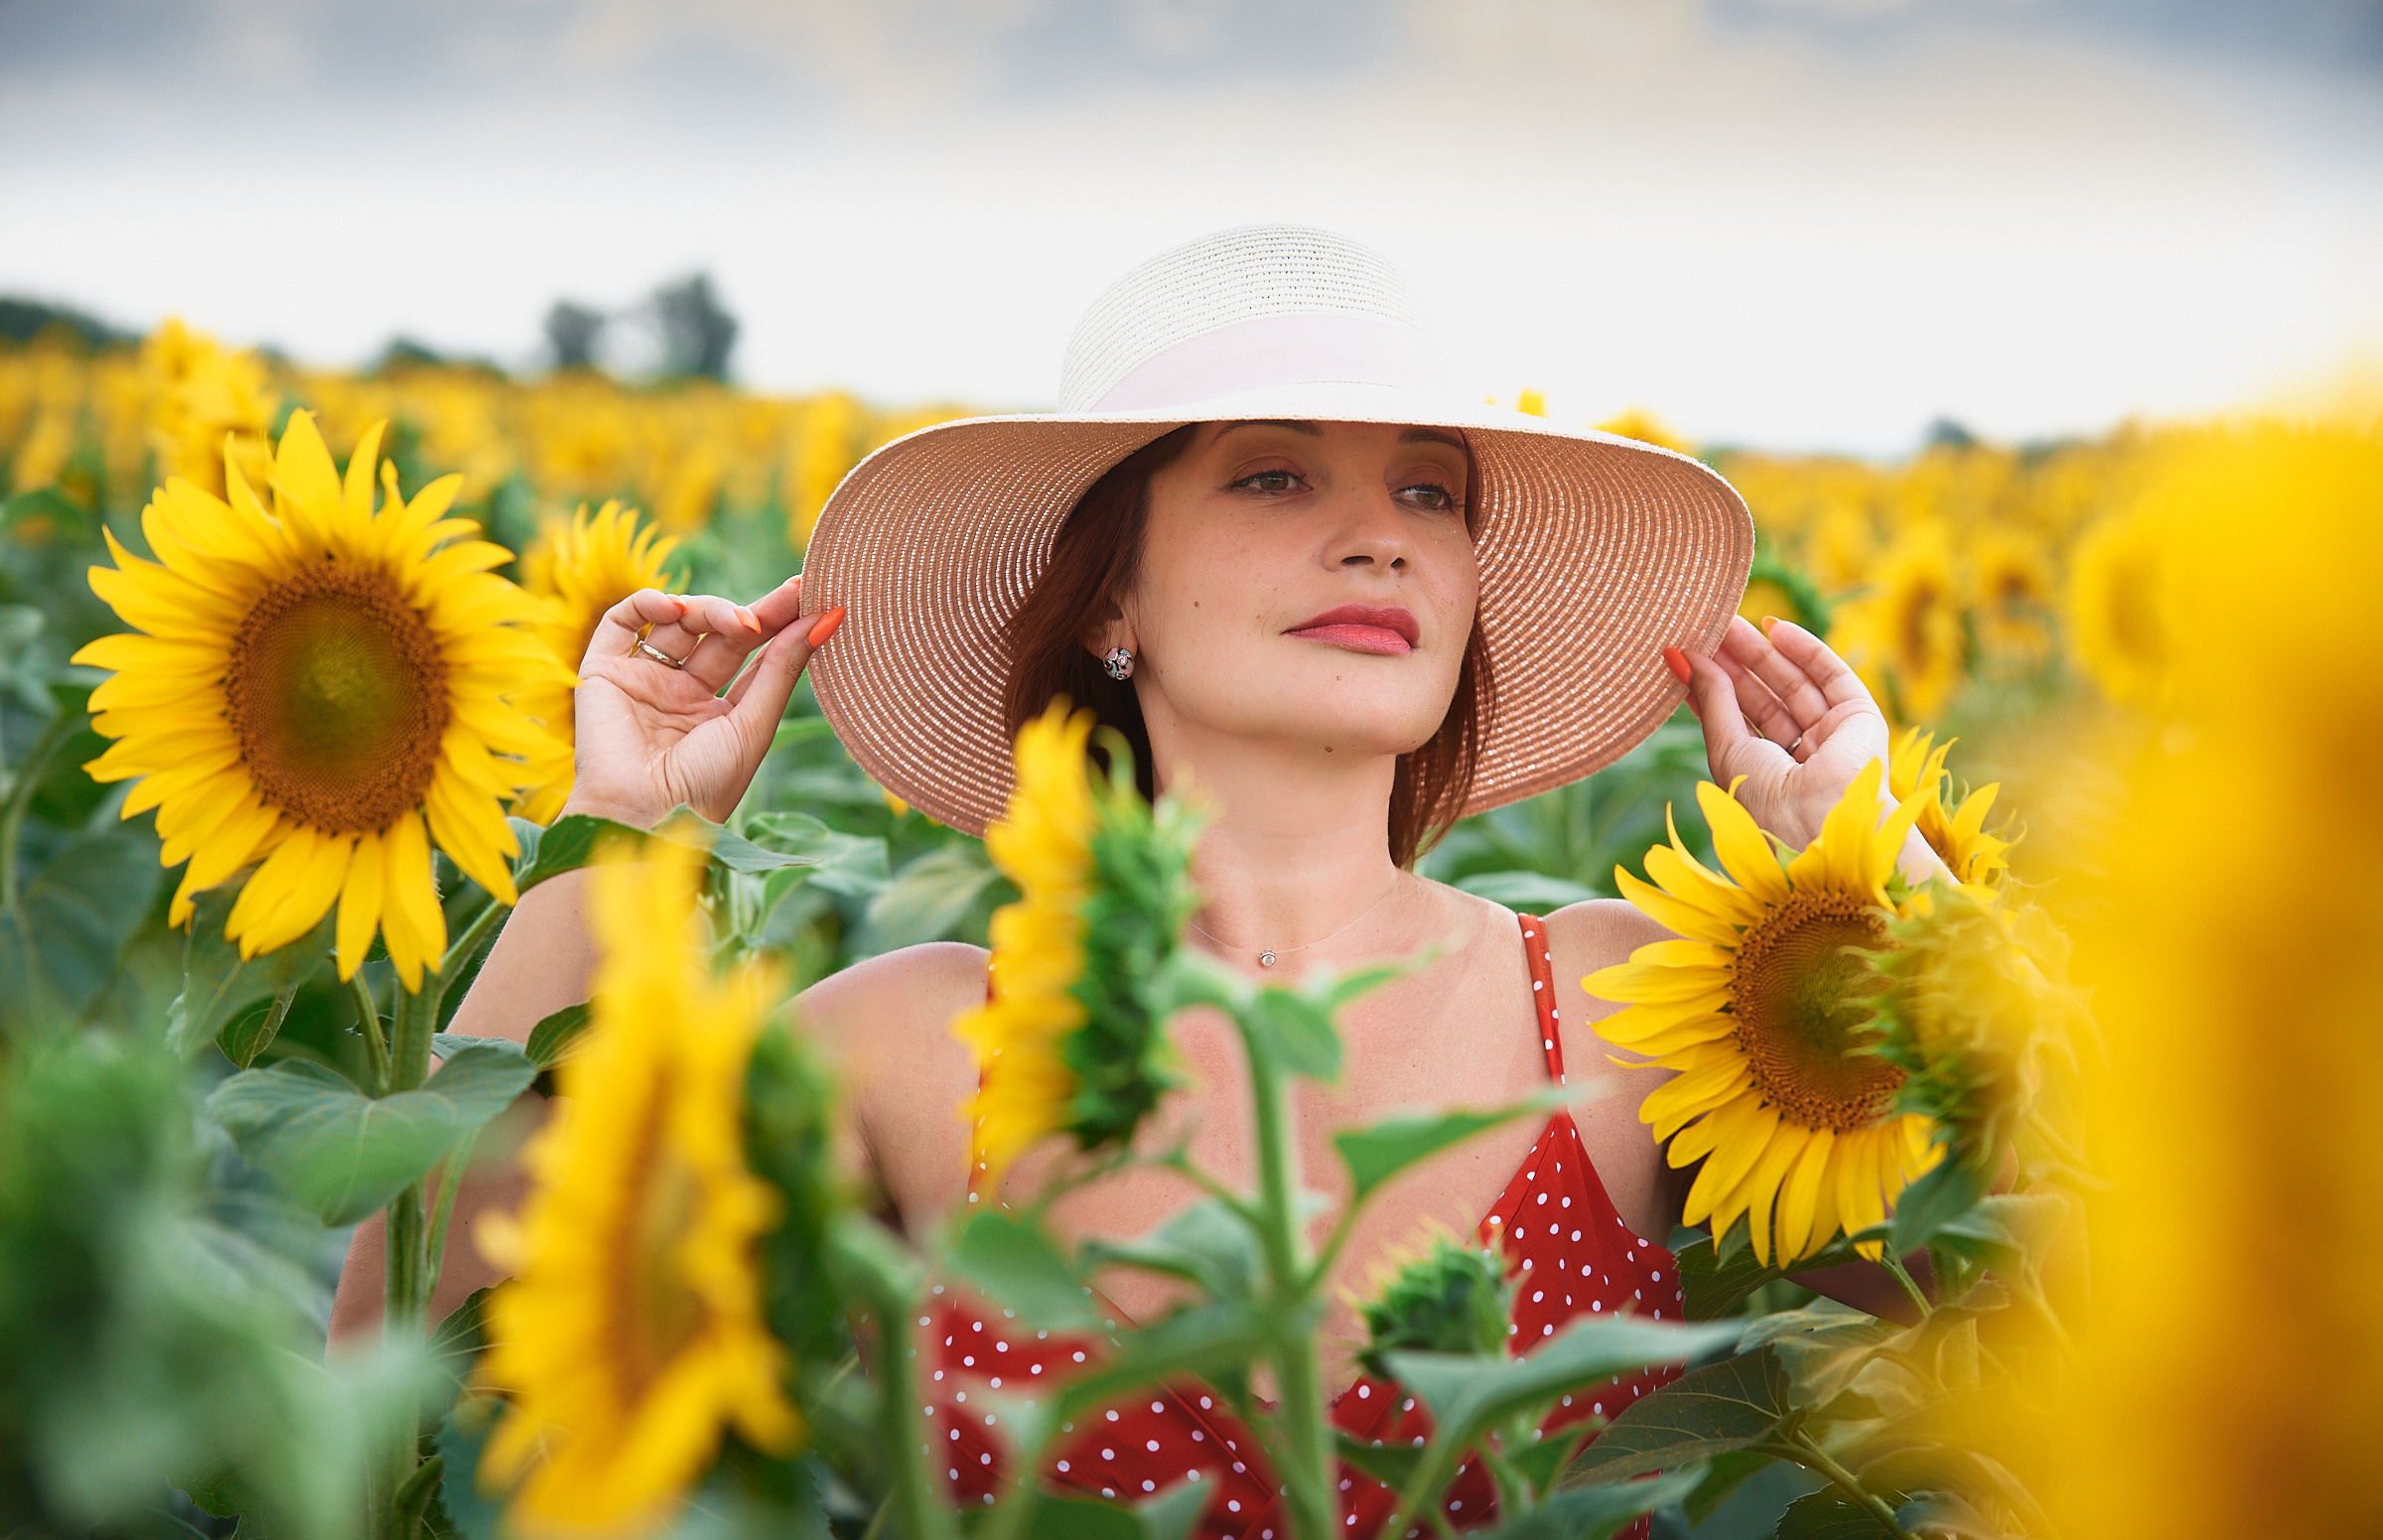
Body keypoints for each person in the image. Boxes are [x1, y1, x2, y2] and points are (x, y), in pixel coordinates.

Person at [332, 225, 1942, 1536]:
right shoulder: (921, 1041)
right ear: (1114, 593)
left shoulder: (1626, 1002)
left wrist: (1875, 870)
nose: (1379, 535)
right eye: (1274, 474)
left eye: (1429, 491)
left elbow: (2013, 1293)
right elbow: (440, 1376)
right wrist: (620, 839)